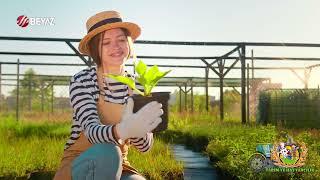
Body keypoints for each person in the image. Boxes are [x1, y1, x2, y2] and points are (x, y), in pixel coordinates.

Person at [53, 10, 163, 180]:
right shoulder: (82, 80)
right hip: (83, 161)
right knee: (108, 152)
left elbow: (146, 147)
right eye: (106, 43)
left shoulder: (138, 86)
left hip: (121, 163)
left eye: (121, 40)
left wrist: (138, 129)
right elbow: (91, 131)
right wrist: (123, 129)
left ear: (129, 43)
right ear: (95, 49)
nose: (116, 47)